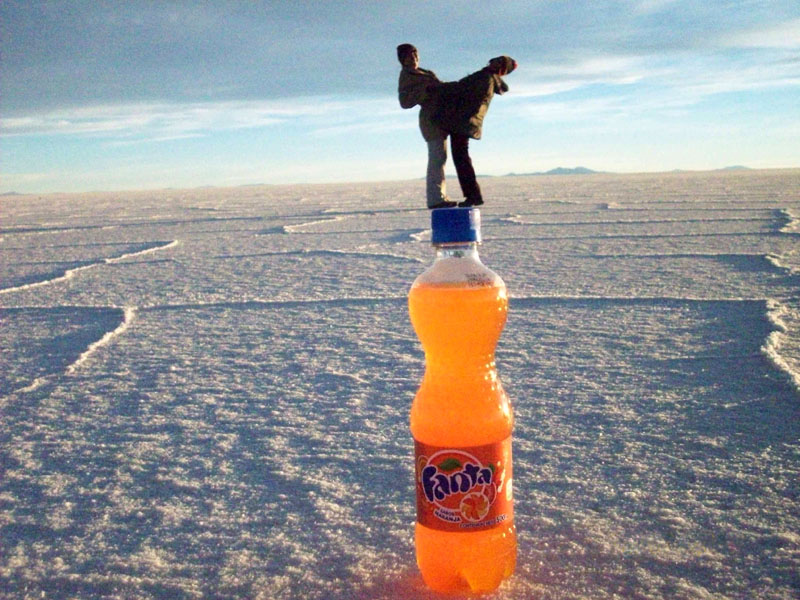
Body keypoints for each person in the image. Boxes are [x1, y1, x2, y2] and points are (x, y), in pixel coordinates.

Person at [431, 56, 517, 207]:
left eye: (499, 62)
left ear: (501, 69)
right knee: (461, 158)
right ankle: (473, 195)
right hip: (465, 122)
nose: (494, 61)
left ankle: (474, 196)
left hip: (463, 122)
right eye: (496, 59)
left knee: (461, 159)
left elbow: (461, 89)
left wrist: (437, 88)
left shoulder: (485, 77)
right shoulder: (487, 77)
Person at [397, 44, 456, 209]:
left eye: (415, 55)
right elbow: (405, 102)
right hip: (430, 121)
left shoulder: (426, 73)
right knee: (437, 158)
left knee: (441, 158)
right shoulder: (407, 76)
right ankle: (436, 199)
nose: (414, 59)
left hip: (441, 118)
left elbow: (441, 88)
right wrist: (425, 90)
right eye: (409, 56)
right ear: (403, 60)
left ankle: (439, 196)